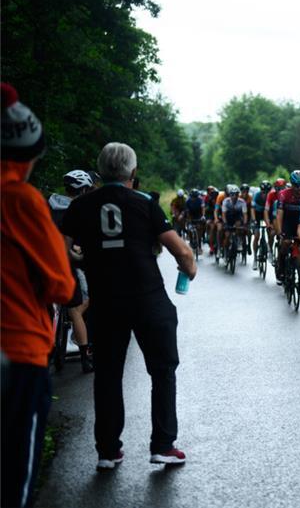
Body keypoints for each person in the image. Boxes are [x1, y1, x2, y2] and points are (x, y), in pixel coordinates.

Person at [60, 142, 196, 470]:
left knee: (107, 375)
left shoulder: (80, 207)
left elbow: (61, 251)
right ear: (132, 172)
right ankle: (163, 445)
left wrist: (83, 259)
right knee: (162, 371)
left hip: (106, 300)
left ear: (99, 172)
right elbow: (180, 250)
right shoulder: (145, 203)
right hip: (148, 298)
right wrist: (189, 269)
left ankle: (108, 451)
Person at [1, 83, 76, 507]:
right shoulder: (22, 200)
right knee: (15, 480)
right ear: (26, 156)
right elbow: (61, 286)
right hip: (16, 351)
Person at [48, 169, 96, 373]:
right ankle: (85, 357)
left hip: (46, 262)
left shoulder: (51, 203)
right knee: (77, 308)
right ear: (83, 189)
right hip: (68, 262)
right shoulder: (80, 209)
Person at [276, 170, 300, 283]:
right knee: (285, 243)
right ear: (291, 184)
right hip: (287, 221)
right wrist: (279, 231)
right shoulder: (283, 194)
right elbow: (279, 215)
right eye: (296, 185)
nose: (299, 188)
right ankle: (281, 267)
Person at [250, 180, 271, 269]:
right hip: (257, 215)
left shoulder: (270, 196)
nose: (265, 193)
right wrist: (254, 220)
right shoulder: (256, 195)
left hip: (267, 214)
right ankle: (255, 258)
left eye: (267, 191)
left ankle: (269, 248)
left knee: (270, 231)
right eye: (263, 191)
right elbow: (252, 209)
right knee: (256, 236)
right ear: (260, 190)